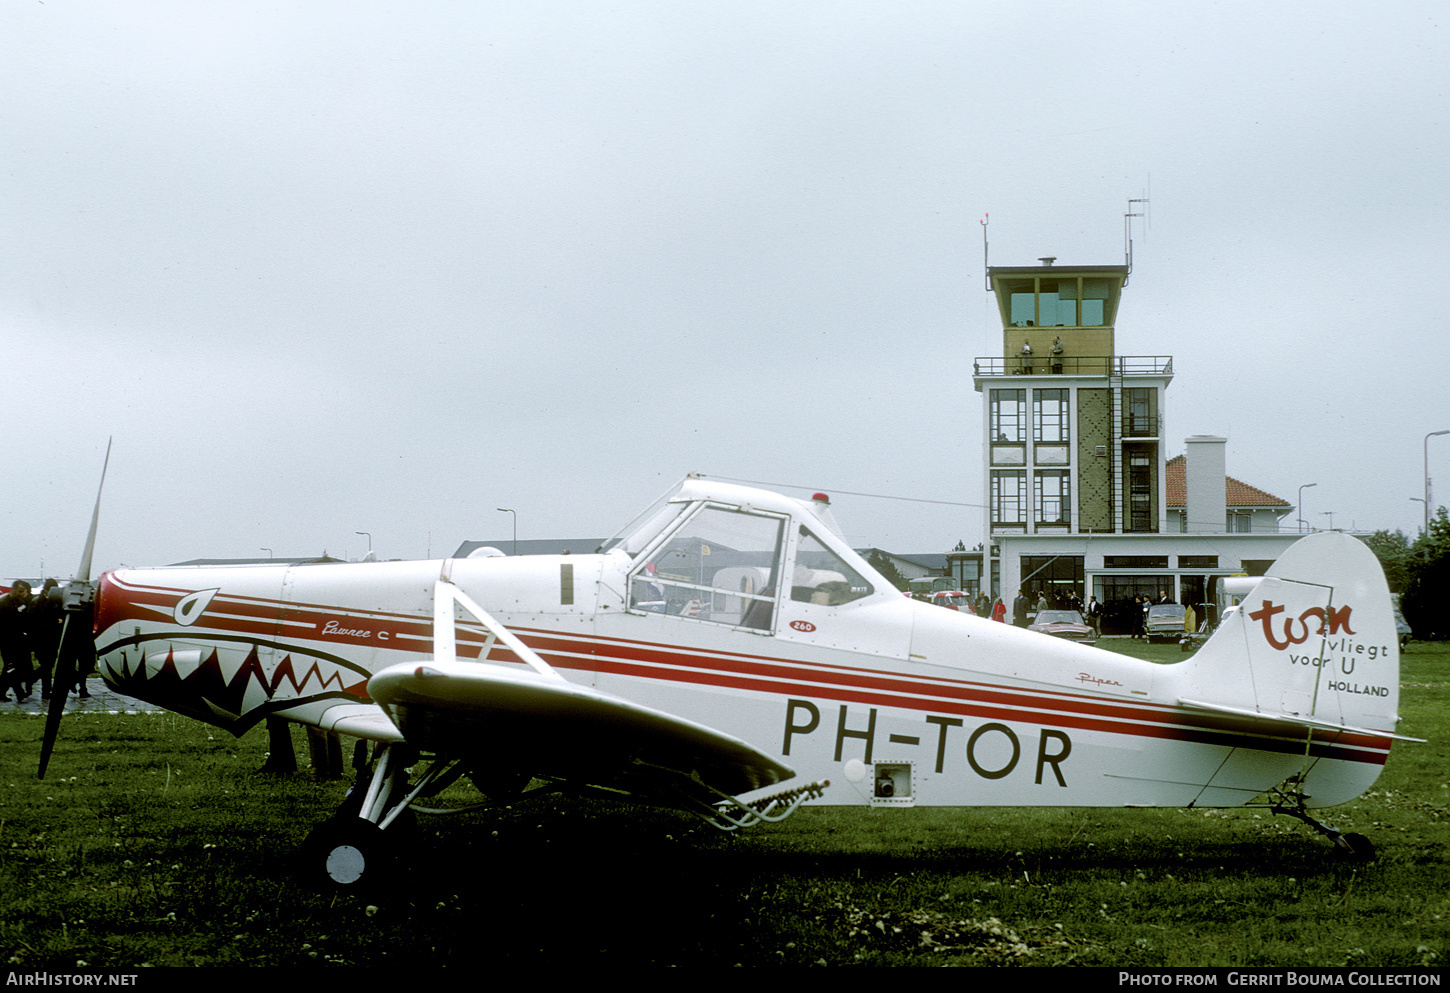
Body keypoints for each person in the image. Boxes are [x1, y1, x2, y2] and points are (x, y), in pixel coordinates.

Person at [0, 581, 35, 701]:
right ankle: (18, 692)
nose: (22, 594)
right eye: (20, 591)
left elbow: (25, 618)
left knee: (15, 668)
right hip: (7, 641)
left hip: (20, 641)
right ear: (13, 589)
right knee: (10, 667)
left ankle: (9, 692)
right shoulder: (3, 604)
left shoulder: (20, 602)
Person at [29, 579, 63, 700]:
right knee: (47, 667)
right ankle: (45, 690)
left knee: (48, 666)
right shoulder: (37, 603)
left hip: (52, 640)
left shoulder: (52, 602)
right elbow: (35, 623)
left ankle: (36, 683)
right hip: (42, 641)